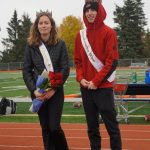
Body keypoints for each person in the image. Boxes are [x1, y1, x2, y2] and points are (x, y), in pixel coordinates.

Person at [74, 0, 122, 149]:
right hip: (86, 88)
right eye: (86, 11)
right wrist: (81, 78)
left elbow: (112, 62)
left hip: (103, 87)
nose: (89, 13)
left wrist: (96, 81)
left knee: (112, 128)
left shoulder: (109, 32)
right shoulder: (80, 35)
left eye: (93, 10)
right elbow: (78, 61)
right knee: (92, 128)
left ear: (99, 11)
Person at [22, 11, 69, 150]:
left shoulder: (60, 44)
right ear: (37, 26)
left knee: (54, 127)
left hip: (55, 92)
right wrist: (34, 90)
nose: (43, 25)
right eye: (41, 23)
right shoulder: (31, 46)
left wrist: (54, 89)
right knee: (45, 129)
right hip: (39, 93)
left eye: (46, 23)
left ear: (51, 25)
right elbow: (26, 70)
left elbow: (65, 68)